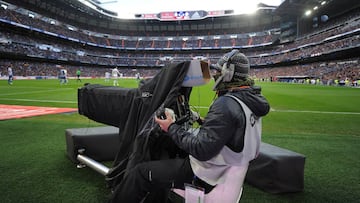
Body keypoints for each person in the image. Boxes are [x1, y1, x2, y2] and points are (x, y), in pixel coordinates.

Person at [108, 49, 270, 202]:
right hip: (227, 167)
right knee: (173, 151)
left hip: (206, 174)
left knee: (140, 173)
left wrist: (170, 127)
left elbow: (201, 150)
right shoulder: (251, 100)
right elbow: (231, 131)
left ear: (228, 74)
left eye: (219, 71)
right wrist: (200, 120)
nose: (215, 74)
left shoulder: (226, 104)